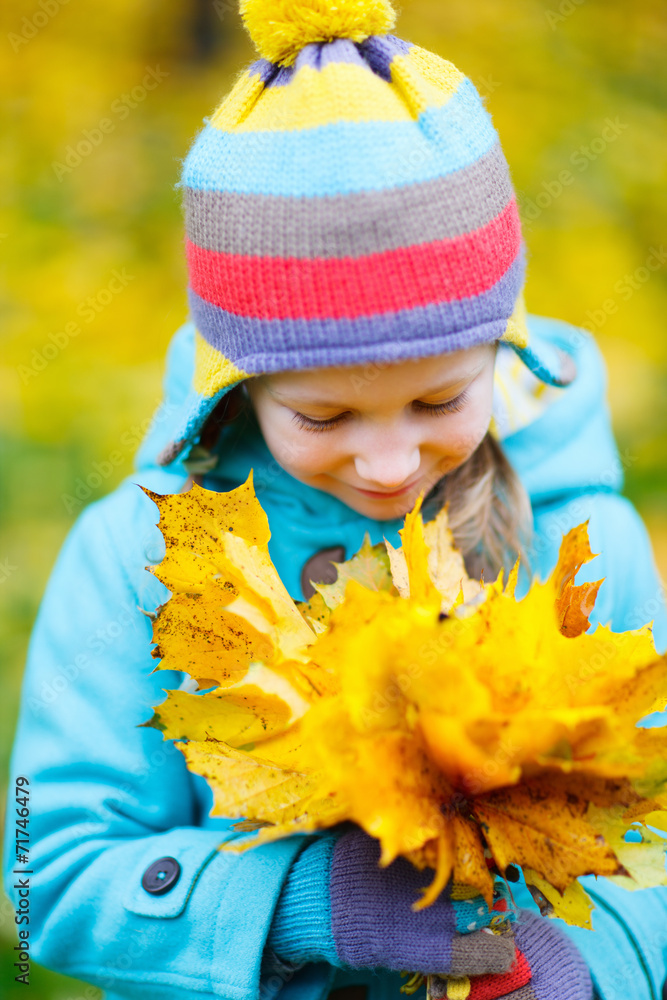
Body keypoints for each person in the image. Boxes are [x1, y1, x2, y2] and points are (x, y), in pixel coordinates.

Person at [4, 1, 667, 998]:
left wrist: (595, 964)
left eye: (440, 398)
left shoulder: (583, 548)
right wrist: (301, 900)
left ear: (504, 349)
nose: (391, 462)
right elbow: (47, 880)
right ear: (237, 385)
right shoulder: (138, 557)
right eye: (323, 418)